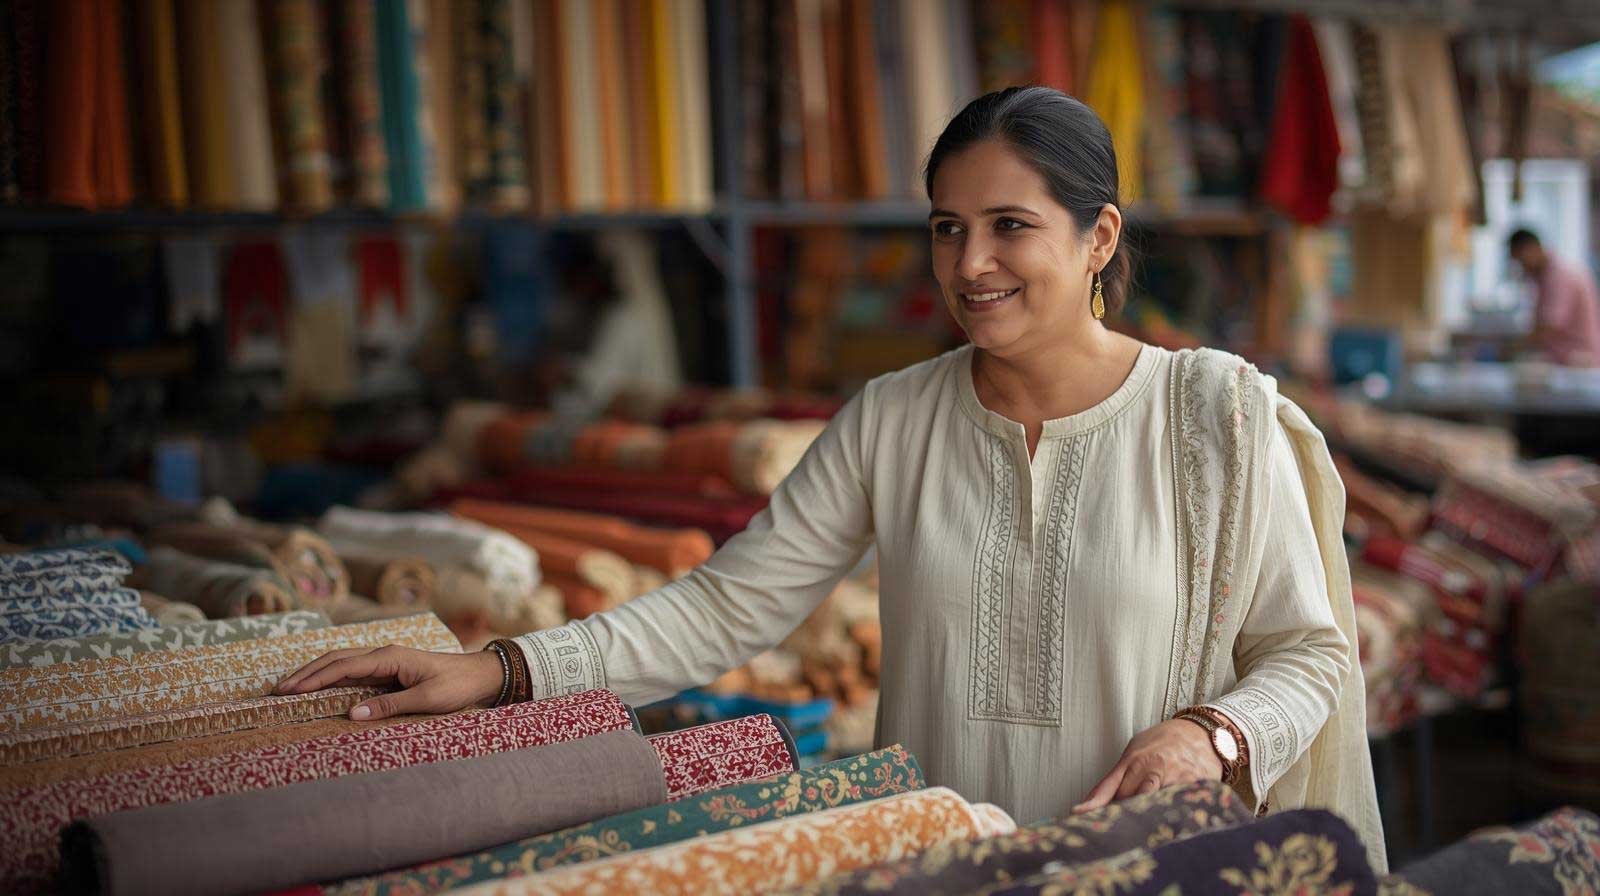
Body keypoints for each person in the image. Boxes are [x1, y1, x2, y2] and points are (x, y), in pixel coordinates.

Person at [277, 87, 1385, 869]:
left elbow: (1306, 649)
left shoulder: (1214, 415)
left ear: (1098, 237)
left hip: (1148, 865)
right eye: (948, 228)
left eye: (1011, 227)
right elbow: (726, 605)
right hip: (944, 860)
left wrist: (1210, 734)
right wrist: (505, 668)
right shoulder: (895, 418)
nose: (970, 265)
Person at [1508, 228, 1600, 367]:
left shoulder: (1559, 277)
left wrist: (1514, 347)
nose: (1521, 267)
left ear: (1531, 249)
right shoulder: (1543, 276)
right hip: (1565, 362)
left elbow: (1550, 326)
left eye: (1520, 260)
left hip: (1579, 363)